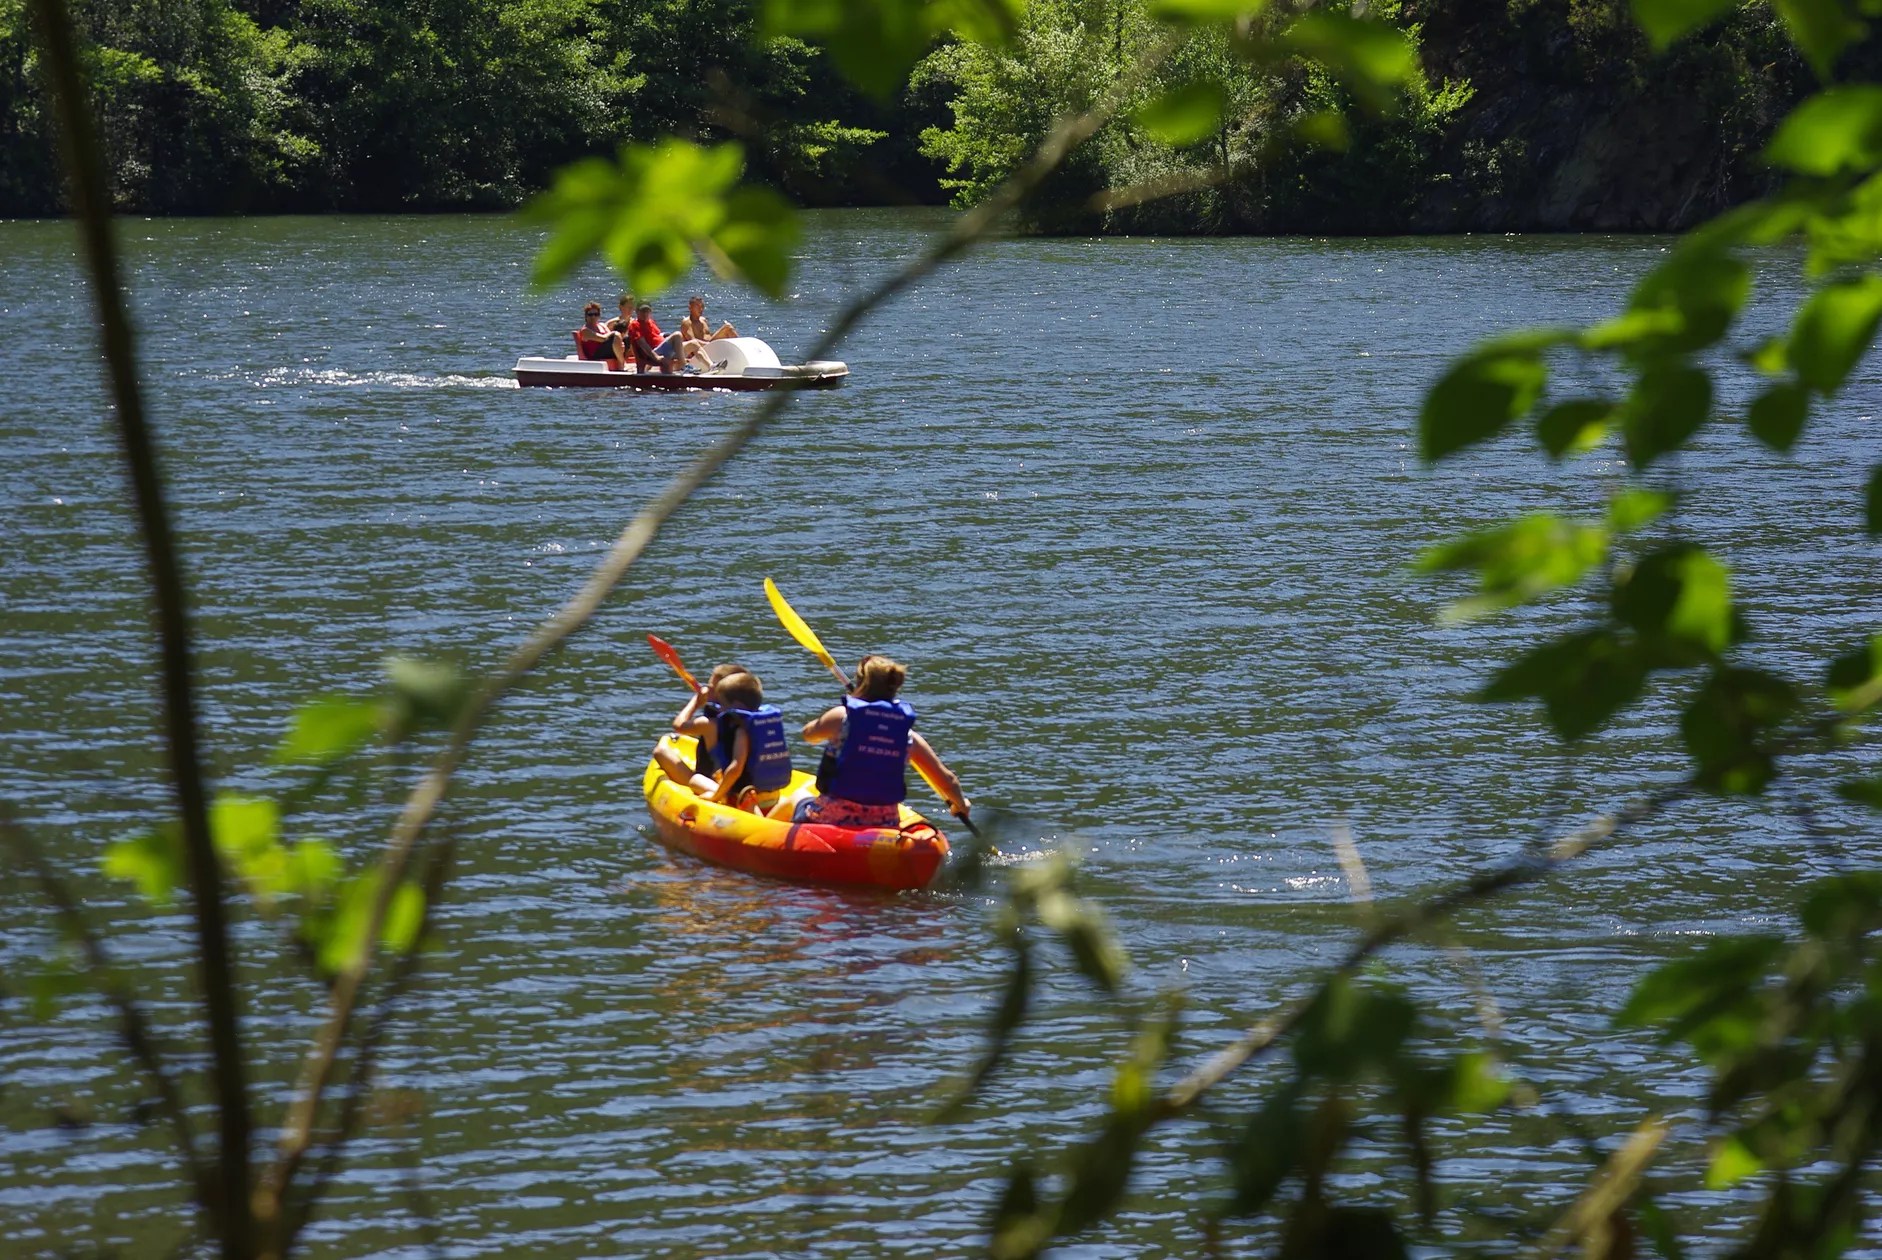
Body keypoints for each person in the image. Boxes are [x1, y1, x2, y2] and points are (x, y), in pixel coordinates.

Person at [781, 655, 970, 828]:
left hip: (831, 818)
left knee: (798, 796)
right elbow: (949, 781)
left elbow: (809, 735)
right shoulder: (907, 736)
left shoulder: (842, 717)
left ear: (861, 683)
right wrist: (961, 804)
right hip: (885, 823)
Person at [655, 670, 794, 812]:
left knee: (692, 777)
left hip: (743, 797)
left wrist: (697, 701)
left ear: (733, 703)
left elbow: (735, 768)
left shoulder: (728, 726)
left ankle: (728, 797)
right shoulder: (762, 723)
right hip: (772, 796)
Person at [654, 661, 748, 785]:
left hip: (715, 782)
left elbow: (678, 725)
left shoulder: (708, 723)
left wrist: (696, 701)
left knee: (660, 751)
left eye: (711, 689)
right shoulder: (751, 720)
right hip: (745, 780)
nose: (706, 691)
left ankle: (705, 787)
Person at [627, 303, 689, 374]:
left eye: (647, 311)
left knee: (694, 343)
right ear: (637, 312)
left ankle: (690, 369)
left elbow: (658, 335)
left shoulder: (650, 322)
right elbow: (642, 344)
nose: (645, 314)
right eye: (643, 311)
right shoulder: (635, 325)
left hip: (662, 349)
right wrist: (656, 357)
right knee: (677, 335)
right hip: (653, 352)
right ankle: (684, 366)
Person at [575, 301, 626, 369]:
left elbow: (611, 337)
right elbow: (603, 339)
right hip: (595, 355)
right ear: (586, 316)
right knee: (616, 335)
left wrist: (620, 343)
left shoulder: (602, 325)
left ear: (599, 315)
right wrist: (614, 333)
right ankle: (621, 365)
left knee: (626, 339)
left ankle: (624, 361)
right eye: (590, 314)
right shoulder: (585, 330)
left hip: (606, 351)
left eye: (596, 314)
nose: (593, 317)